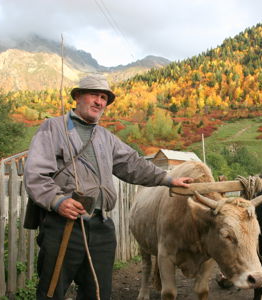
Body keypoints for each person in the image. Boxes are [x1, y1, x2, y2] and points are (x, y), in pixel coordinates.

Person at [24, 73, 193, 299]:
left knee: (99, 292)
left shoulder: (106, 137)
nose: (99, 102)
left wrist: (168, 179)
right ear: (78, 96)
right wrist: (57, 201)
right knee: (52, 291)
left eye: (104, 97)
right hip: (63, 225)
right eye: (94, 94)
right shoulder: (53, 128)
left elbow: (133, 165)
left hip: (102, 226)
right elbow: (35, 174)